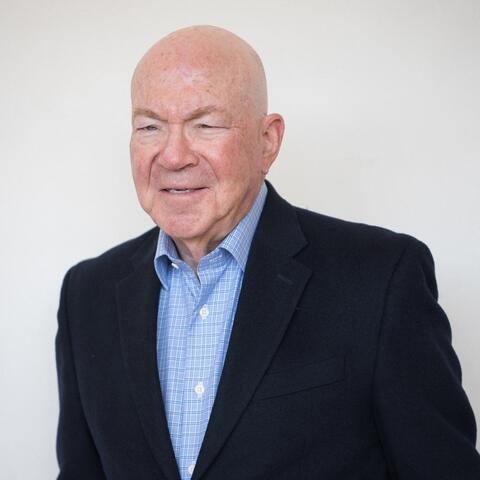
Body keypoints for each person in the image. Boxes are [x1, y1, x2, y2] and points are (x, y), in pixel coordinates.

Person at [55, 25, 480, 480]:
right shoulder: (87, 295)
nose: (174, 155)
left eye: (205, 125)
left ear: (267, 141)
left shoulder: (381, 278)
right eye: (150, 126)